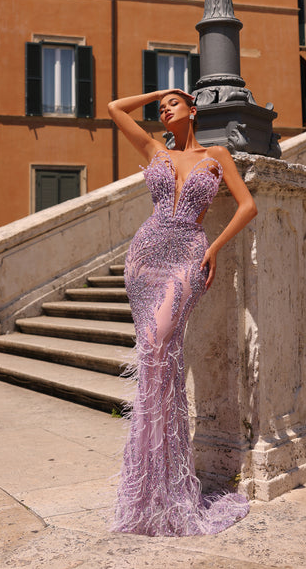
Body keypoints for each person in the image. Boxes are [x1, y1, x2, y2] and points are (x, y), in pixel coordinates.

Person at [107, 88, 257, 537]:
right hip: (145, 255)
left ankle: (165, 486)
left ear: (193, 109)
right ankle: (149, 489)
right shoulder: (153, 149)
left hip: (188, 253)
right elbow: (115, 109)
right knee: (154, 359)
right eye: (161, 107)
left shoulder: (216, 155)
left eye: (173, 103)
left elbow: (248, 205)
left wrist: (212, 247)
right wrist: (158, 91)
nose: (163, 109)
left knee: (159, 353)